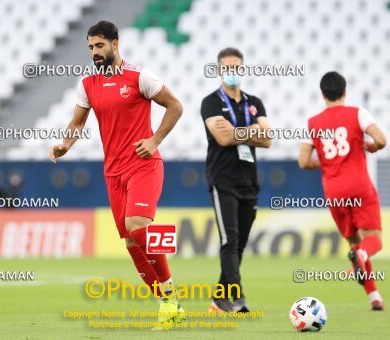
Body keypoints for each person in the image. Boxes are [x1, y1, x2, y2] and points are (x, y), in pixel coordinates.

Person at [49, 21, 184, 329]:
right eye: (90, 47)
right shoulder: (88, 85)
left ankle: (171, 295)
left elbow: (175, 106)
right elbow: (77, 122)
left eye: (99, 46)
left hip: (143, 164)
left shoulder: (140, 77)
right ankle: (168, 303)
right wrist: (66, 144)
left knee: (138, 228)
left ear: (115, 44)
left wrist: (155, 140)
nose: (94, 52)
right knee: (131, 244)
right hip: (113, 172)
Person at [299, 71, 386, 311]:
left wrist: (327, 162)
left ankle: (374, 297)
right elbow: (382, 139)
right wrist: (371, 146)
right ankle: (362, 257)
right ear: (345, 91)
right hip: (359, 185)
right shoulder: (358, 113)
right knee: (374, 240)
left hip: (334, 190)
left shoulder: (312, 123)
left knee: (354, 244)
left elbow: (304, 161)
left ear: (323, 94)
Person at [200, 47, 271, 313]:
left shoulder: (255, 102)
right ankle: (238, 297)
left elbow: (268, 139)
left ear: (243, 69)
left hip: (249, 180)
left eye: (237, 67)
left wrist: (239, 132)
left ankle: (220, 298)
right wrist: (252, 130)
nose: (232, 72)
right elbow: (223, 138)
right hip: (223, 180)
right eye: (227, 67)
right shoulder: (210, 102)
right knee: (229, 240)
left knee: (239, 243)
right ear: (219, 70)